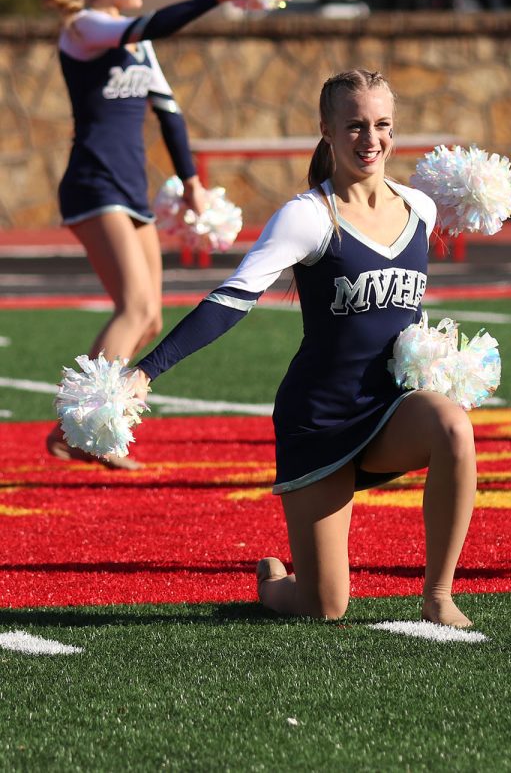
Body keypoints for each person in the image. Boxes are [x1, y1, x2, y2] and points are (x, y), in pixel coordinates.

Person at [133, 69, 478, 627]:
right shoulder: (308, 215)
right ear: (326, 130)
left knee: (453, 426)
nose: (371, 140)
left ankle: (438, 594)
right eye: (355, 126)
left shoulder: (421, 206)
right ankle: (275, 585)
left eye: (382, 125)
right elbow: (233, 297)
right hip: (320, 417)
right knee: (325, 606)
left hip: (392, 409)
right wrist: (147, 371)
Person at [42, 0, 244, 467]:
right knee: (132, 306)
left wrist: (192, 180)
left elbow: (169, 114)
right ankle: (79, 426)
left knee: (151, 318)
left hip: (130, 186)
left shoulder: (139, 43)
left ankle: (85, 424)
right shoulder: (85, 28)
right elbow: (151, 23)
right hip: (93, 182)